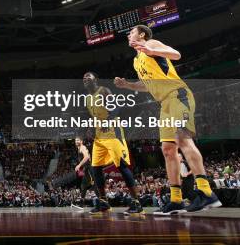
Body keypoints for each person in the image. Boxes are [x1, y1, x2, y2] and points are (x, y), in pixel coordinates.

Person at [114, 25, 221, 215]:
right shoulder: (136, 61)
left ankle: (206, 192)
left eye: (131, 32)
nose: (129, 35)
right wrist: (128, 85)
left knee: (182, 140)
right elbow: (147, 85)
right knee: (168, 150)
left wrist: (152, 50)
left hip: (178, 95)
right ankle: (176, 200)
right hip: (164, 104)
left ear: (141, 34)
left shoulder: (151, 43)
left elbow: (176, 54)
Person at [83, 72, 142, 215]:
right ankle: (103, 202)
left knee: (121, 165)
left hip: (112, 133)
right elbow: (94, 116)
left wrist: (107, 122)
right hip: (99, 137)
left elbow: (115, 108)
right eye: (83, 78)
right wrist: (90, 128)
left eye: (88, 77)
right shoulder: (87, 98)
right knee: (95, 168)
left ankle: (136, 202)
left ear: (95, 80)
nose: (85, 79)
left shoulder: (103, 91)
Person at [74, 137, 96, 206]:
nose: (76, 141)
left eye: (78, 140)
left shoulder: (82, 147)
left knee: (94, 185)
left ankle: (103, 201)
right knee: (83, 185)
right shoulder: (79, 148)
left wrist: (79, 165)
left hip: (89, 168)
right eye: (75, 140)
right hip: (86, 169)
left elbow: (86, 157)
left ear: (81, 141)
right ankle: (81, 203)